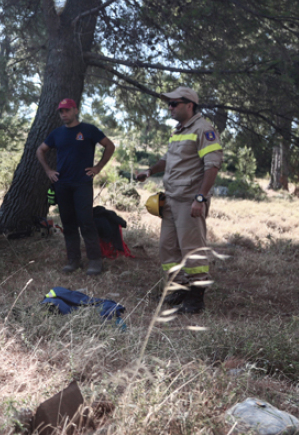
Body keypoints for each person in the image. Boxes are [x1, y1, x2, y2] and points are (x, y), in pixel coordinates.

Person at [136, 87, 223, 314]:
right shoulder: (178, 131)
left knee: (192, 249)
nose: (170, 108)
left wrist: (200, 198)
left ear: (189, 105)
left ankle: (196, 298)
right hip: (171, 199)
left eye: (174, 103)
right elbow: (168, 159)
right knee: (168, 248)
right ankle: (179, 288)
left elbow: (212, 166)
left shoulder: (204, 130)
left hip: (189, 200)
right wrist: (149, 171)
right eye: (169, 104)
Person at [36, 98, 115, 276]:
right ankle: (73, 260)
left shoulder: (89, 130)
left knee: (86, 221)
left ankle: (95, 260)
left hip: (82, 183)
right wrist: (48, 171)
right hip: (62, 184)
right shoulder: (56, 133)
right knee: (68, 223)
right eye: (61, 111)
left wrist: (98, 167)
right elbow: (40, 150)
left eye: (67, 110)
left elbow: (109, 146)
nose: (64, 114)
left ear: (75, 110)